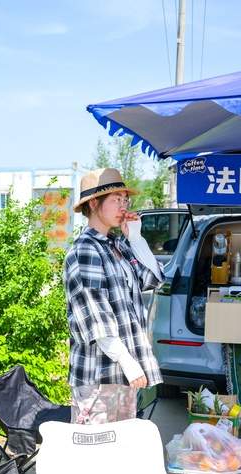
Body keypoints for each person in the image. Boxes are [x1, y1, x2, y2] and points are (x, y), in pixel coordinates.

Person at [64, 168, 165, 424]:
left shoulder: (117, 245)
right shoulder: (85, 250)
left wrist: (137, 238)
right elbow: (95, 317)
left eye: (125, 199)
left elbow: (153, 278)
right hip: (99, 375)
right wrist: (128, 362)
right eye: (115, 199)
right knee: (96, 452)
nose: (123, 205)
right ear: (94, 203)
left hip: (123, 374)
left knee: (119, 451)